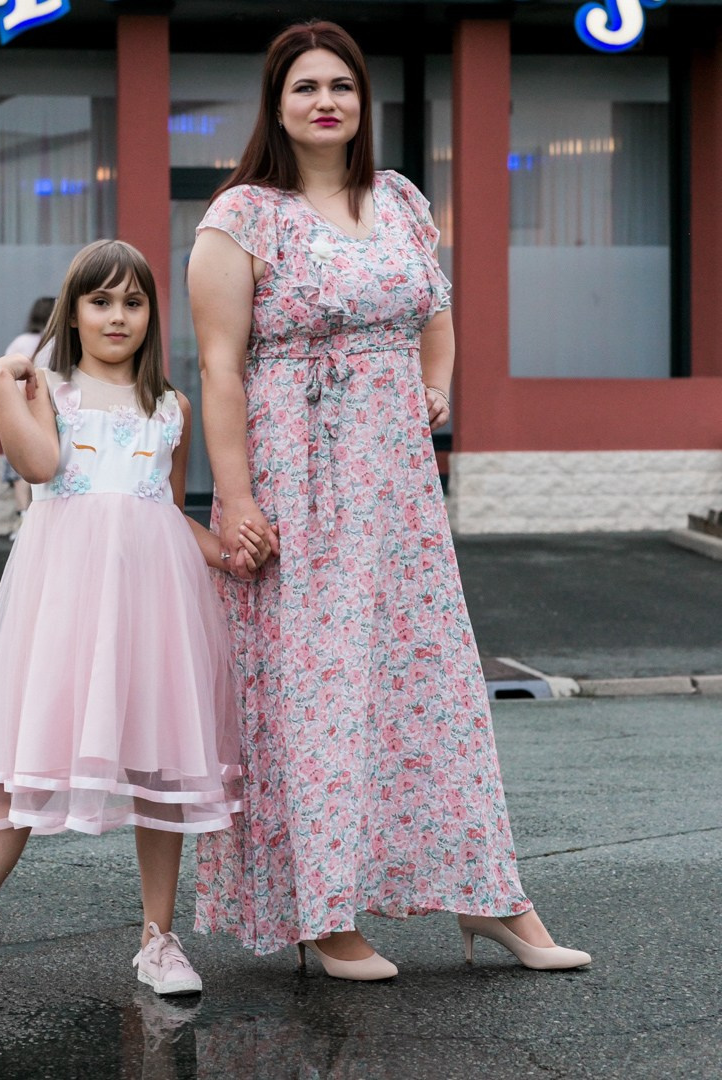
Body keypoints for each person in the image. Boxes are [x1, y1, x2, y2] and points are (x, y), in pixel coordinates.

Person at [188, 21, 591, 979]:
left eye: (341, 85)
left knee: (431, 684)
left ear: (362, 102)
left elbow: (434, 316)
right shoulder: (243, 215)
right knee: (318, 689)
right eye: (304, 86)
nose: (325, 101)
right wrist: (235, 497)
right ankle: (323, 909)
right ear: (276, 105)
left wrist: (435, 386)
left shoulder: (402, 198)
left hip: (398, 491)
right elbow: (217, 368)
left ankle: (489, 895)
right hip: (301, 479)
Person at [0, 239, 273, 1017]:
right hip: (63, 609)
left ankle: (158, 938)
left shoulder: (172, 407)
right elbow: (40, 466)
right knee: (22, 775)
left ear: (152, 316)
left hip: (154, 609)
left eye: (133, 302)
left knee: (159, 770)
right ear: (73, 313)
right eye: (101, 301)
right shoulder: (49, 389)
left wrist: (229, 551)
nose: (118, 316)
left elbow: (164, 509)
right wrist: (1, 388)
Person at [0, 296, 56, 539]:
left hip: (20, 408)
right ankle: (41, 522)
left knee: (21, 468)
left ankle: (24, 519)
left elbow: (5, 373)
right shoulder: (58, 342)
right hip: (49, 407)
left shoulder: (23, 342)